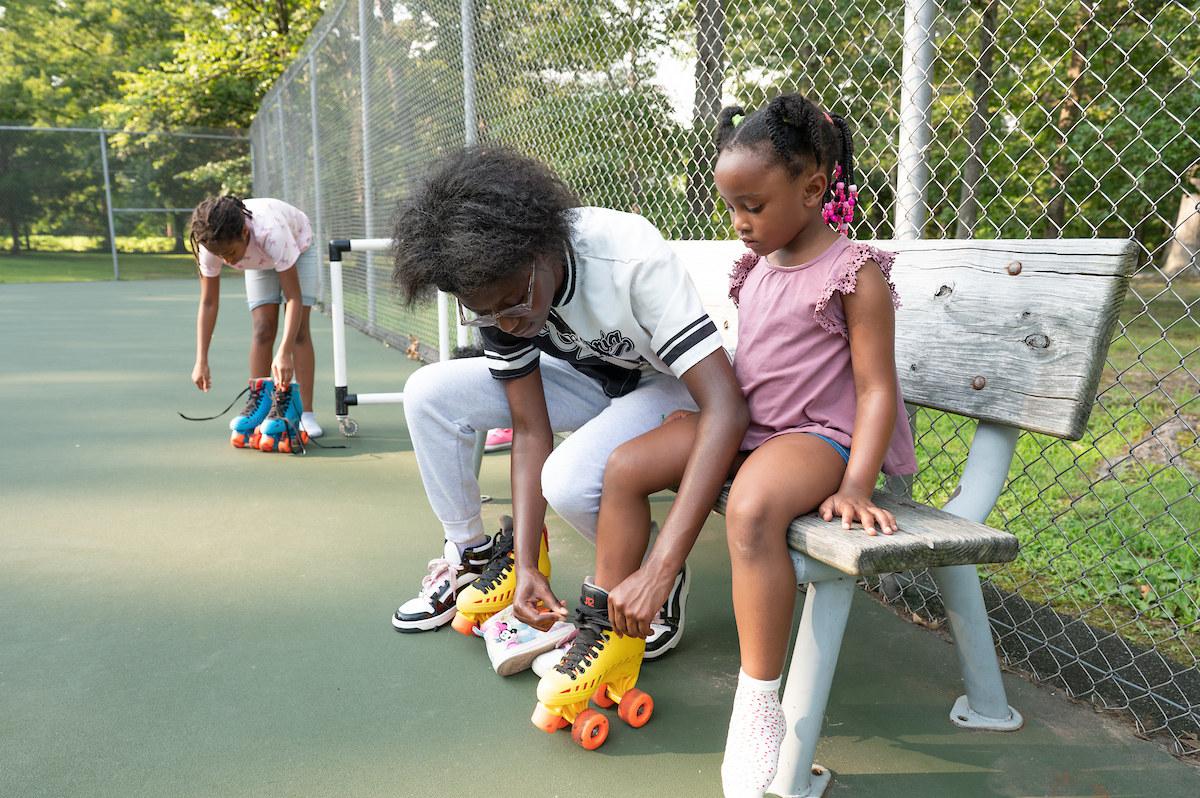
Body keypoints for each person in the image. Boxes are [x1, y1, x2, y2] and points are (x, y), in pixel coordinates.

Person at [589, 93, 917, 796]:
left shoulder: (854, 272)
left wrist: (857, 482)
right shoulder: (756, 267)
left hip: (818, 438)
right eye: (731, 206)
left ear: (811, 187)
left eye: (753, 205)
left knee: (751, 510)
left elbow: (876, 391)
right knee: (626, 466)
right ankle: (612, 635)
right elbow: (749, 375)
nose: (740, 222)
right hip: (755, 431)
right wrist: (701, 428)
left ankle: (758, 703)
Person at [387, 146, 748, 663]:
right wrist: (528, 559)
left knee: (569, 481)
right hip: (591, 380)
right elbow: (530, 428)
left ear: (540, 248)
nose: (505, 322)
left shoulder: (625, 254)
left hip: (669, 384)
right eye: (485, 313)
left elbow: (726, 407)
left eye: (512, 303)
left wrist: (659, 568)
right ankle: (471, 554)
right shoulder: (494, 287)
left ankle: (648, 578)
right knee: (427, 394)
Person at [189, 196, 323, 443]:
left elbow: (293, 297)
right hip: (257, 260)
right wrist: (201, 359)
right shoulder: (211, 247)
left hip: (294, 248)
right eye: (220, 256)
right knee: (263, 328)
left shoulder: (271, 232)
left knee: (299, 332)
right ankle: (263, 411)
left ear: (243, 232)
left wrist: (283, 353)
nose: (227, 261)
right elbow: (208, 303)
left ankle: (305, 413)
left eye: (229, 252)